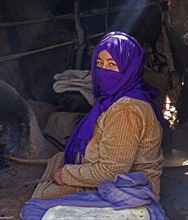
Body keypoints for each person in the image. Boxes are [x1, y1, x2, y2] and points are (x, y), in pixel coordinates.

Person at [32, 31, 165, 199]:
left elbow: (112, 171)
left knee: (36, 206)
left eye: (112, 65)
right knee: (57, 160)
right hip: (116, 180)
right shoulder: (116, 99)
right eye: (100, 63)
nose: (103, 71)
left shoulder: (126, 110)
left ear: (130, 68)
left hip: (128, 190)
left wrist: (67, 175)